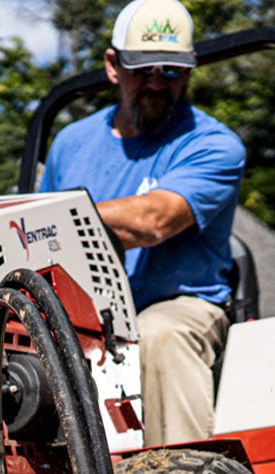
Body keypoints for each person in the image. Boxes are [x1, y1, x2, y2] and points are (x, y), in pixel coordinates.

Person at [38, 0, 245, 445]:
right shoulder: (70, 144)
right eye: (143, 69)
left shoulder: (213, 145)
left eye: (170, 71)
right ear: (114, 67)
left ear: (188, 71)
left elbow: (154, 220)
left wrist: (51, 221)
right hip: (82, 316)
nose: (156, 82)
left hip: (179, 305)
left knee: (159, 336)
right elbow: (30, 247)